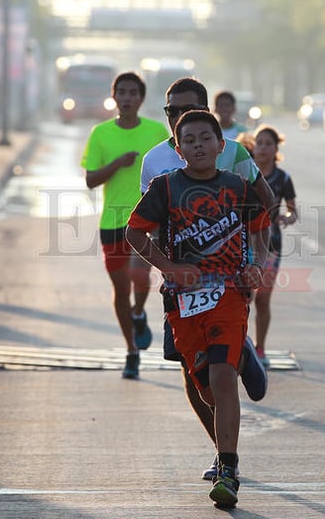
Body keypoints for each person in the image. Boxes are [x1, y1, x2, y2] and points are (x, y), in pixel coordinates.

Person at [126, 110, 270, 507]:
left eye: (206, 138)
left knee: (223, 382)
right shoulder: (165, 188)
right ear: (178, 148)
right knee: (207, 390)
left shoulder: (237, 187)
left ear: (220, 145)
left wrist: (256, 264)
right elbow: (134, 232)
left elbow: (261, 227)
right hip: (184, 302)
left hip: (228, 294)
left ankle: (228, 470)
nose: (198, 146)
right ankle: (242, 358)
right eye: (188, 140)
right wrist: (170, 267)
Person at [81, 72, 170, 379]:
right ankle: (131, 350)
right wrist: (117, 164)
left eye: (134, 92)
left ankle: (138, 312)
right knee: (120, 288)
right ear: (114, 96)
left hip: (146, 221)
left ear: (141, 98)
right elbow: (91, 180)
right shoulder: (100, 133)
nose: (128, 98)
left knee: (139, 275)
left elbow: (173, 170)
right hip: (112, 222)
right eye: (122, 92)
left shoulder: (156, 131)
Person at [249, 125, 298, 367]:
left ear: (276, 148)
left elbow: (292, 210)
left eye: (268, 143)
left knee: (262, 299)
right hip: (244, 242)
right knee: (243, 296)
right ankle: (239, 344)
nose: (263, 148)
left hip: (271, 244)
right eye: (259, 143)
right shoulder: (244, 172)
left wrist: (287, 217)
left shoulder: (283, 178)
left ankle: (260, 348)